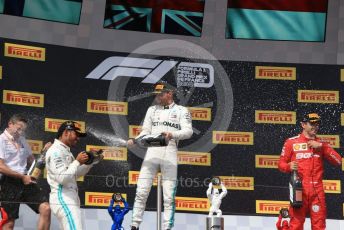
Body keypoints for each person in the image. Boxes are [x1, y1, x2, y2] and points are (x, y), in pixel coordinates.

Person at [128, 82, 193, 230]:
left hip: (169, 149)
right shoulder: (151, 110)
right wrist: (136, 139)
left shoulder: (182, 110)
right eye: (156, 94)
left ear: (170, 93)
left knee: (169, 195)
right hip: (152, 150)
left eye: (161, 94)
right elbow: (145, 131)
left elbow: (188, 131)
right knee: (141, 191)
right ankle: (134, 225)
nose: (157, 97)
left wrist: (172, 134)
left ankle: (167, 227)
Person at [278, 113, 342, 230]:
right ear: (303, 124)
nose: (315, 126)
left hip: (317, 192)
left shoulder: (321, 143)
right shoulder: (291, 142)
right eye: (312, 123)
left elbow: (338, 161)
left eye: (317, 123)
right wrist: (289, 166)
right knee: (295, 226)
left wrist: (322, 147)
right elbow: (280, 164)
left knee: (319, 226)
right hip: (298, 191)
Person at [45, 120, 103, 230]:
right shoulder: (55, 151)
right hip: (63, 197)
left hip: (70, 197)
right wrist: (77, 162)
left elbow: (74, 175)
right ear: (66, 132)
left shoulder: (65, 150)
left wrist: (91, 162)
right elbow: (63, 178)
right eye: (76, 134)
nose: (78, 138)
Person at [0, 114, 51, 230]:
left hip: (25, 180)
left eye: (23, 130)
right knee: (9, 223)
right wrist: (22, 177)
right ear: (10, 124)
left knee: (46, 208)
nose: (21, 132)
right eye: (19, 128)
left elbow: (32, 161)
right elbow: (0, 167)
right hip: (8, 183)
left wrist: (44, 153)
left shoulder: (22, 140)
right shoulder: (1, 140)